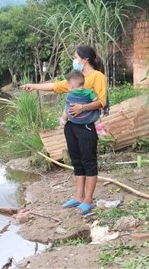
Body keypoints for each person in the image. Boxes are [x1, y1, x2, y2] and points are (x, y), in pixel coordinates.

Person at [21, 45, 107, 215]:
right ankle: (78, 196)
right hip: (71, 126)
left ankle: (88, 199)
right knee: (76, 160)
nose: (74, 60)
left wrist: (82, 108)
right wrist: (34, 86)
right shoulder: (75, 78)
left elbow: (101, 102)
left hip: (86, 126)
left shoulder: (97, 77)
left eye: (75, 57)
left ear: (85, 59)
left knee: (88, 161)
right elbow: (54, 86)